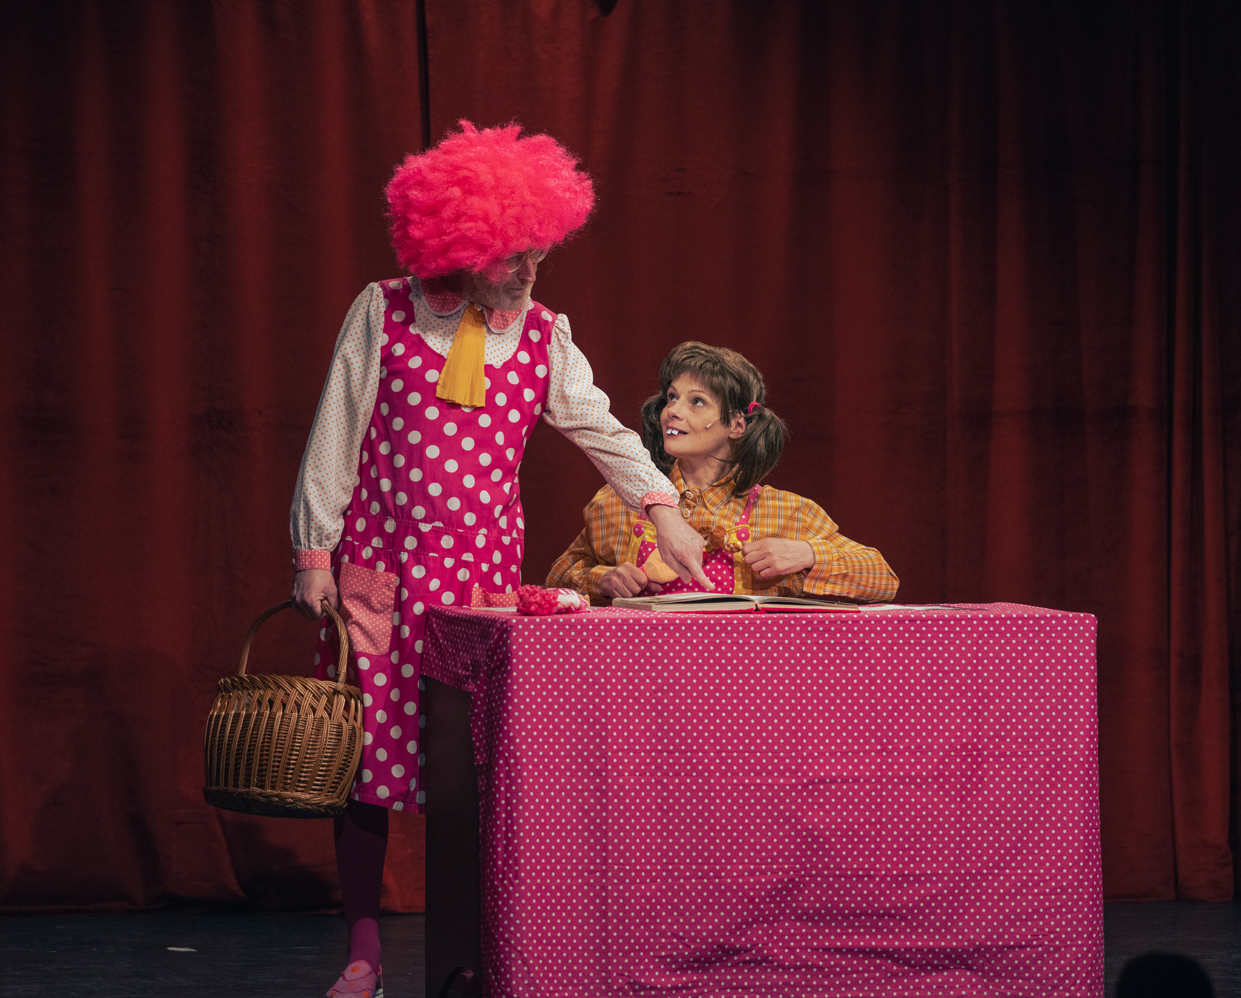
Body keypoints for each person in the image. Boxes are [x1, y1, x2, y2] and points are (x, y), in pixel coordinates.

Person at [287, 121, 711, 998]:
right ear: (459, 245)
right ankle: (362, 953)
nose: (526, 272)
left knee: (474, 768)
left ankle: (474, 945)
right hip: (380, 571)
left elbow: (596, 424)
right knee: (364, 762)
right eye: (509, 256)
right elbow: (337, 429)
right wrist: (313, 550)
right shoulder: (385, 310)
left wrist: (661, 506)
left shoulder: (543, 335)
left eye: (536, 254)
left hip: (479, 584)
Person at [547, 341, 899, 602]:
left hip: (744, 673)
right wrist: (601, 580)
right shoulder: (618, 501)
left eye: (696, 401)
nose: (672, 411)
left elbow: (883, 578)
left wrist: (808, 554)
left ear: (736, 424)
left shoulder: (788, 512)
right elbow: (556, 579)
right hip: (645, 670)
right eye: (672, 397)